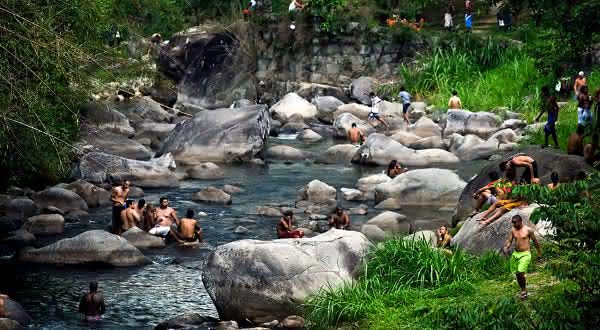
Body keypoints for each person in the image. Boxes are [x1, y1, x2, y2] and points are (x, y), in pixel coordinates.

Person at [503, 215, 542, 299]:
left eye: (514, 222)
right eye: (512, 222)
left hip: (525, 254)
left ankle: (524, 290)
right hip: (516, 254)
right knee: (517, 273)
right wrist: (506, 247)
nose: (513, 224)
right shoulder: (513, 229)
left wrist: (539, 253)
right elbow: (510, 240)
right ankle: (522, 288)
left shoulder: (528, 230)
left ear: (520, 221)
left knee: (520, 272)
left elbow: (535, 241)